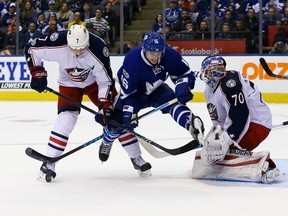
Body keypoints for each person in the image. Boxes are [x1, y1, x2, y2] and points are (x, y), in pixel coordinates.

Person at [98, 32, 205, 176]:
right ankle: (107, 141)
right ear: (144, 49)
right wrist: (131, 113)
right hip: (134, 95)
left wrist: (183, 85)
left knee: (173, 102)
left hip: (157, 89)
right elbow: (128, 94)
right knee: (117, 123)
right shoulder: (133, 60)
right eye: (152, 53)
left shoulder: (168, 54)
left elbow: (184, 72)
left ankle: (191, 125)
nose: (156, 57)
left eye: (159, 53)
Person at [24, 25, 116, 182]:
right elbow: (31, 48)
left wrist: (104, 105)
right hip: (69, 83)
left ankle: (135, 157)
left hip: (95, 83)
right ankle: (50, 163)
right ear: (67, 42)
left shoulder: (98, 48)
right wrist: (37, 72)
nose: (78, 52)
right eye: (74, 49)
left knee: (117, 117)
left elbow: (105, 81)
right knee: (66, 120)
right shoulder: (57, 42)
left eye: (82, 48)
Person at [192, 53, 280, 183]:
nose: (214, 74)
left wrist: (227, 141)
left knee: (225, 153)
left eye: (218, 70)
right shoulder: (208, 91)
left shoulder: (229, 83)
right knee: (213, 153)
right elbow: (219, 121)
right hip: (243, 122)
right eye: (210, 71)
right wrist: (215, 138)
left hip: (256, 122)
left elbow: (240, 115)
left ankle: (266, 165)